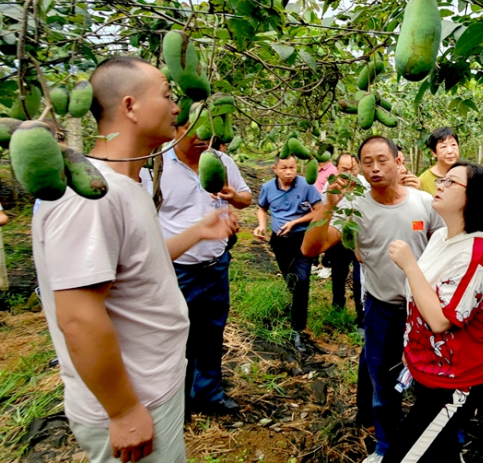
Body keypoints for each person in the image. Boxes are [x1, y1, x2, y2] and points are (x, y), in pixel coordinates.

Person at [31, 56, 238, 463]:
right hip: (131, 400)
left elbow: (133, 268)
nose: (177, 108)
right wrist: (123, 410)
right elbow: (78, 316)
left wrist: (197, 232)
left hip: (152, 388)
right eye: (165, 95)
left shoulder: (128, 184)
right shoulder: (91, 197)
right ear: (130, 107)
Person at [302, 136, 444, 463]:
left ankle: (437, 442)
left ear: (399, 160)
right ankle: (386, 447)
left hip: (425, 311)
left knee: (433, 381)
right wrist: (330, 205)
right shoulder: (355, 207)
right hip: (382, 309)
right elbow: (310, 249)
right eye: (368, 162)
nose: (375, 168)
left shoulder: (424, 203)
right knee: (383, 383)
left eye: (382, 159)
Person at [383, 162, 483, 463]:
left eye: (451, 182)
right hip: (429, 371)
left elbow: (439, 320)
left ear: (472, 197)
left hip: (455, 384)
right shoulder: (440, 238)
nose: (440, 184)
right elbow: (422, 298)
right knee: (439, 449)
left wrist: (409, 265)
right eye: (442, 179)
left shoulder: (479, 253)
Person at [140, 122, 252, 415]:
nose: (204, 137)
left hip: (216, 266)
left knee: (213, 333)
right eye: (195, 129)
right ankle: (178, 402)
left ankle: (209, 394)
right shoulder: (154, 166)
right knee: (178, 339)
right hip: (178, 270)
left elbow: (246, 198)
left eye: (208, 130)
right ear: (174, 127)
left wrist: (231, 194)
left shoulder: (221, 161)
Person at [254, 154, 322, 352]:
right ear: (275, 169)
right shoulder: (268, 188)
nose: (289, 172)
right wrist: (261, 225)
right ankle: (296, 307)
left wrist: (295, 222)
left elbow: (319, 210)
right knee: (291, 280)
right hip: (280, 241)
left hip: (302, 240)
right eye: (284, 168)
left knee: (302, 281)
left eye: (292, 167)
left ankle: (297, 330)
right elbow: (262, 208)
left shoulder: (306, 185)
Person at [322, 153, 366, 328]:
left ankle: (361, 316)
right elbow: (323, 212)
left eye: (352, 169)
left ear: (358, 168)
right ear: (337, 169)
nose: (348, 173)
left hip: (360, 238)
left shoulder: (366, 184)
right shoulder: (330, 185)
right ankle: (337, 307)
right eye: (344, 169)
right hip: (337, 237)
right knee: (338, 275)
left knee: (359, 279)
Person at [418, 127, 460, 196]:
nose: (450, 151)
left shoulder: (468, 175)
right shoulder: (423, 181)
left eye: (453, 145)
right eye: (444, 147)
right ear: (434, 152)